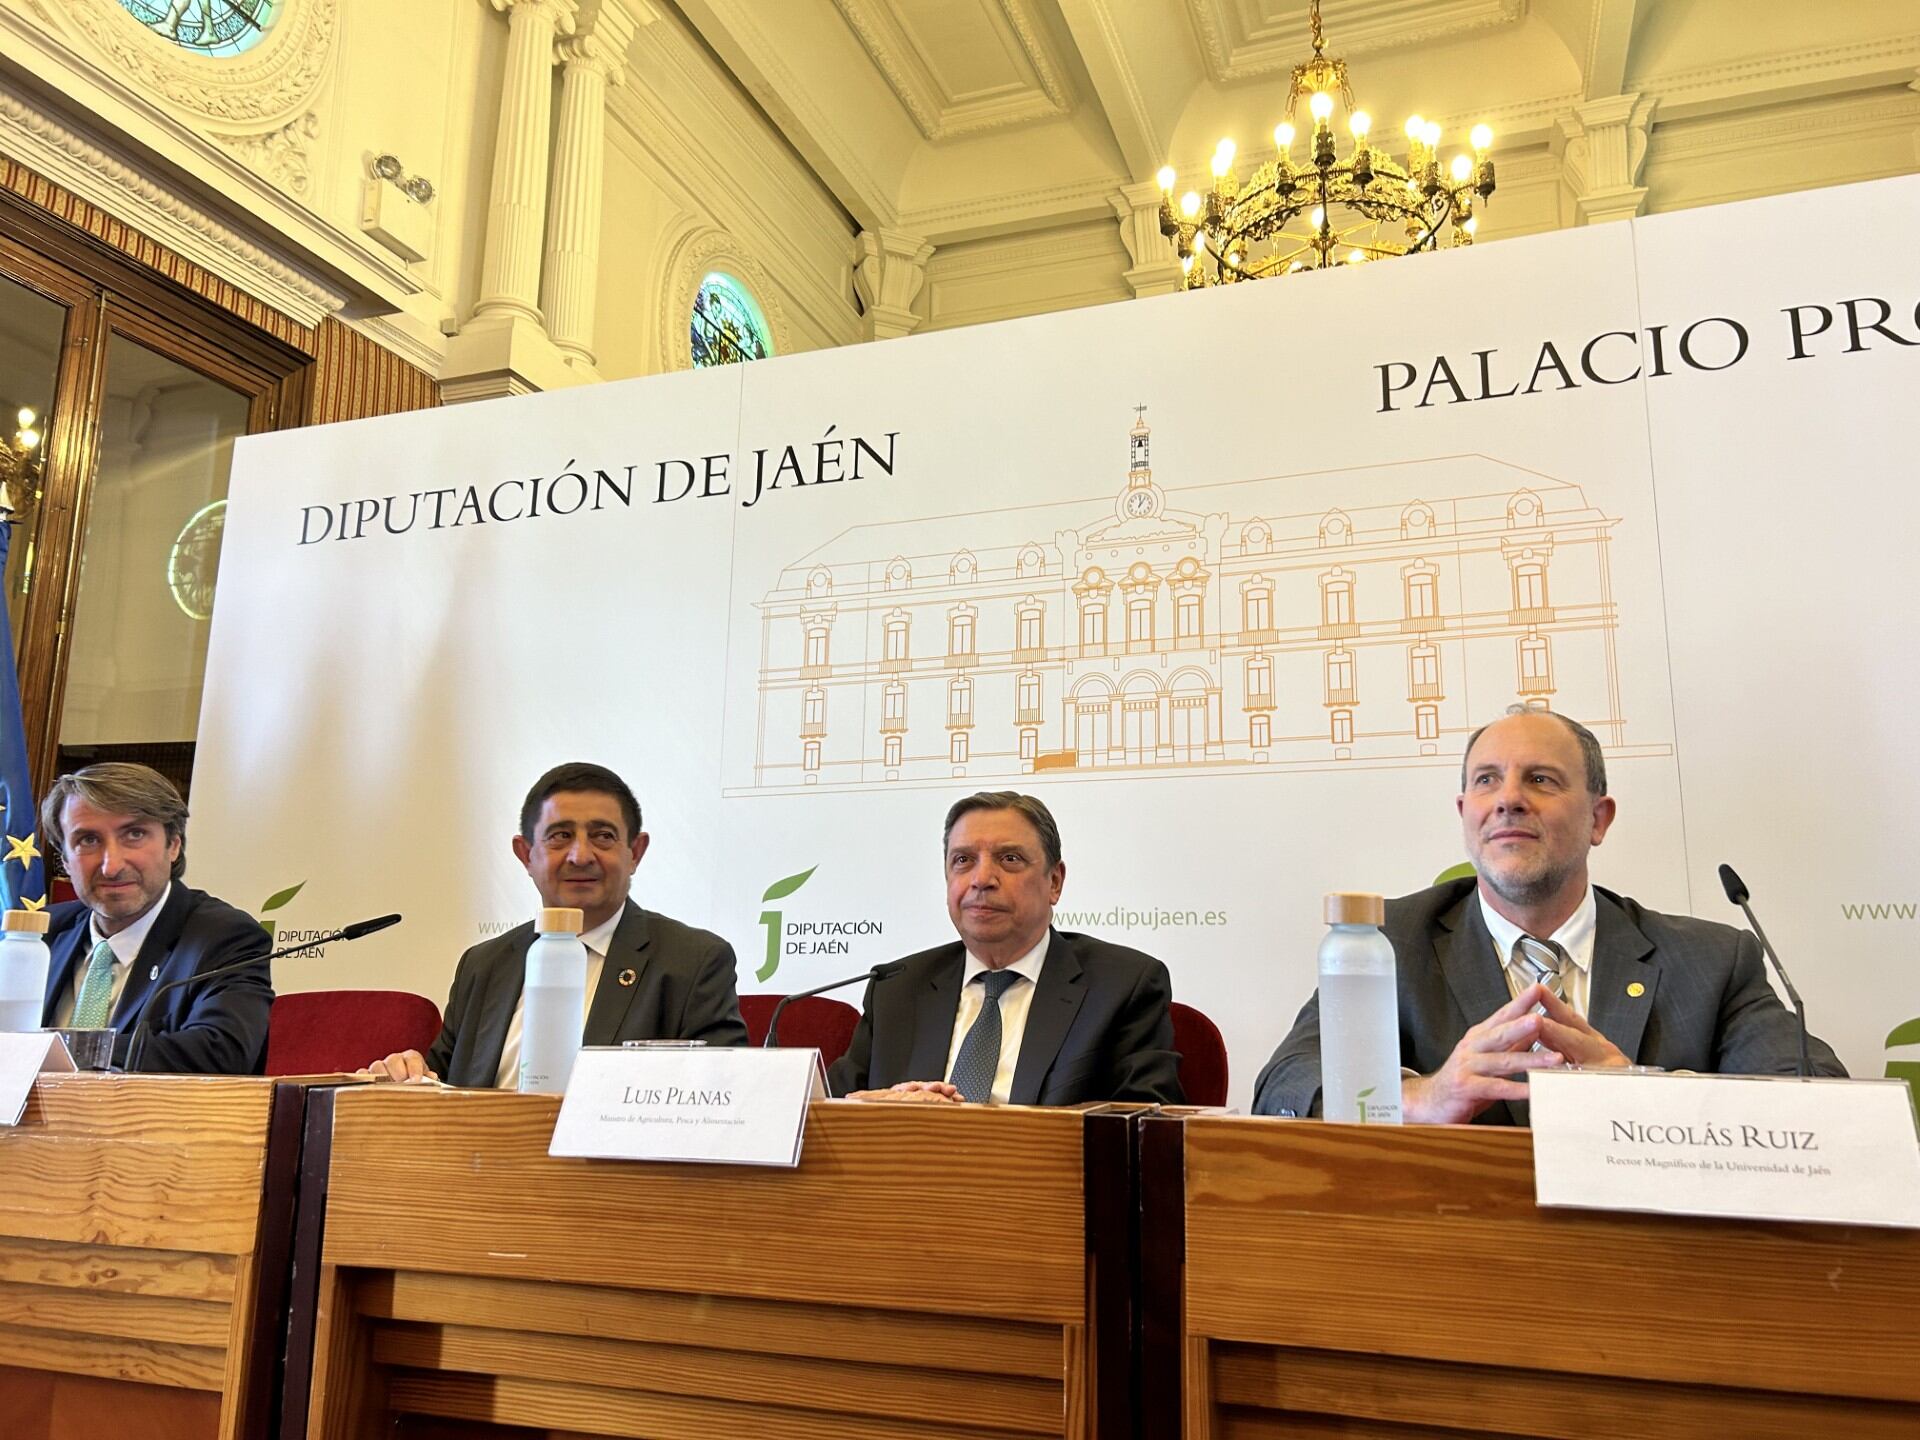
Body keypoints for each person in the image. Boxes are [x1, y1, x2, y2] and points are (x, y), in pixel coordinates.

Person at [1254, 708, 1844, 1124]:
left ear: (1598, 819)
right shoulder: (1390, 943)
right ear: (1466, 814)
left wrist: (1639, 1094)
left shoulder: (1712, 961)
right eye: (1487, 781)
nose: (1509, 798)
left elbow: (1822, 1107)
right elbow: (1284, 1086)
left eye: (1540, 779)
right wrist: (1421, 1098)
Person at [366, 762, 747, 1085]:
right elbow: (440, 1084)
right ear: (526, 854)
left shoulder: (693, 962)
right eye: (560, 836)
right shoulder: (483, 965)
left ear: (635, 852)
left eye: (602, 836)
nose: (581, 855)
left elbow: (720, 1096)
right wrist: (407, 1076)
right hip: (483, 1164)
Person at [828, 791, 1183, 1106]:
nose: (982, 879)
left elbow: (1144, 1127)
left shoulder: (1122, 985)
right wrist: (879, 1111)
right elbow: (829, 1112)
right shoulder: (896, 988)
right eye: (963, 860)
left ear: (1054, 882)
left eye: (1009, 859)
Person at [39, 762, 272, 1073]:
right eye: (88, 841)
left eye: (134, 834)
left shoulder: (223, 937)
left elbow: (221, 1054)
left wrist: (69, 1050)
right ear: (65, 860)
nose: (111, 865)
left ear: (173, 845)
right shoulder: (42, 933)